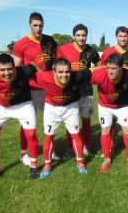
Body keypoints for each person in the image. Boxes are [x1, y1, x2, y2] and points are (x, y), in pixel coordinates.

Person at [35, 58, 97, 179]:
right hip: (51, 108)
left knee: (76, 134)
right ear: (54, 72)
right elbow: (33, 71)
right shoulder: (44, 77)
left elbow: (94, 69)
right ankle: (47, 165)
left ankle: (80, 162)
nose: (64, 75)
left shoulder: (77, 76)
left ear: (71, 71)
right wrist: (34, 65)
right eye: (61, 72)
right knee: (49, 136)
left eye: (67, 72)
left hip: (71, 107)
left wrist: (113, 67)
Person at [0, 53, 39, 182]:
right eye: (2, 70)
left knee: (30, 134)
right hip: (1, 106)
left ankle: (34, 166)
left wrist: (45, 81)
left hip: (24, 105)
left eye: (9, 69)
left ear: (15, 67)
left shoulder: (25, 70)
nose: (6, 73)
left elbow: (35, 66)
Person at [13, 12, 58, 164]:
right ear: (29, 25)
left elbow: (56, 61)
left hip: (48, 87)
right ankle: (23, 154)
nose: (38, 28)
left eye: (41, 25)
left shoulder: (50, 41)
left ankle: (51, 151)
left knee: (51, 119)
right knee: (27, 122)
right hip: (30, 89)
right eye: (35, 25)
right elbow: (17, 68)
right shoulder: (21, 44)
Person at [56, 23, 101, 159]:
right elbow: (57, 67)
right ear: (74, 35)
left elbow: (101, 66)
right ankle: (70, 149)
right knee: (71, 122)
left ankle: (87, 146)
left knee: (86, 120)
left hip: (86, 90)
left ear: (86, 35)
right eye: (78, 35)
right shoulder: (64, 49)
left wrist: (92, 74)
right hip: (70, 90)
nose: (81, 38)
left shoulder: (91, 51)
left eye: (83, 35)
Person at [92, 53, 128, 173]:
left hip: (123, 105)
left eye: (114, 68)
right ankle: (107, 159)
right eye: (108, 68)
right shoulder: (99, 75)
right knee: (105, 130)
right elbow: (80, 76)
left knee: (127, 130)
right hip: (105, 106)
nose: (110, 71)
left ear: (122, 68)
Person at [101, 26, 128, 152]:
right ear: (116, 37)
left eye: (125, 36)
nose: (123, 39)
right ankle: (110, 144)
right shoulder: (108, 52)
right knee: (110, 119)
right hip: (112, 91)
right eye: (120, 36)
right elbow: (102, 69)